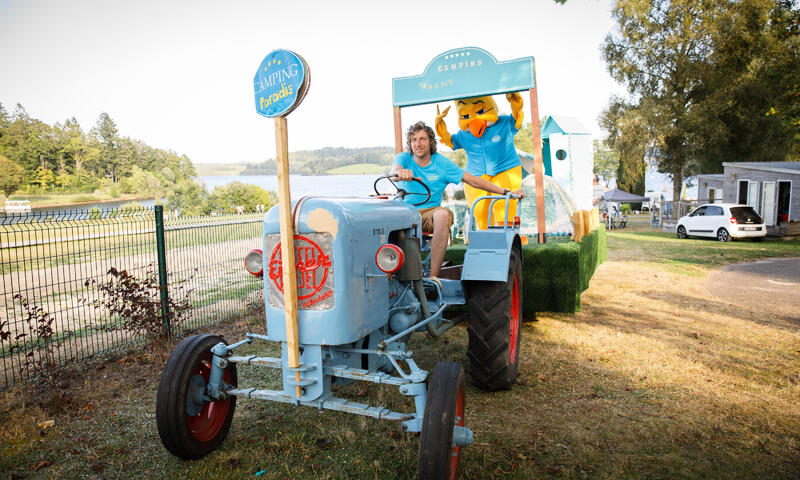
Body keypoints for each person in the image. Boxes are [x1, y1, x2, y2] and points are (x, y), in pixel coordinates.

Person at [391, 121, 524, 279]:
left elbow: (472, 180)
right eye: (414, 140)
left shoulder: (441, 163)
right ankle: (388, 273)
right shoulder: (404, 158)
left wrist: (504, 191)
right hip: (404, 212)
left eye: (422, 139)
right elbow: (395, 170)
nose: (417, 144)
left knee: (443, 215)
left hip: (429, 212)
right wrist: (401, 172)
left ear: (431, 142)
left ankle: (433, 278)